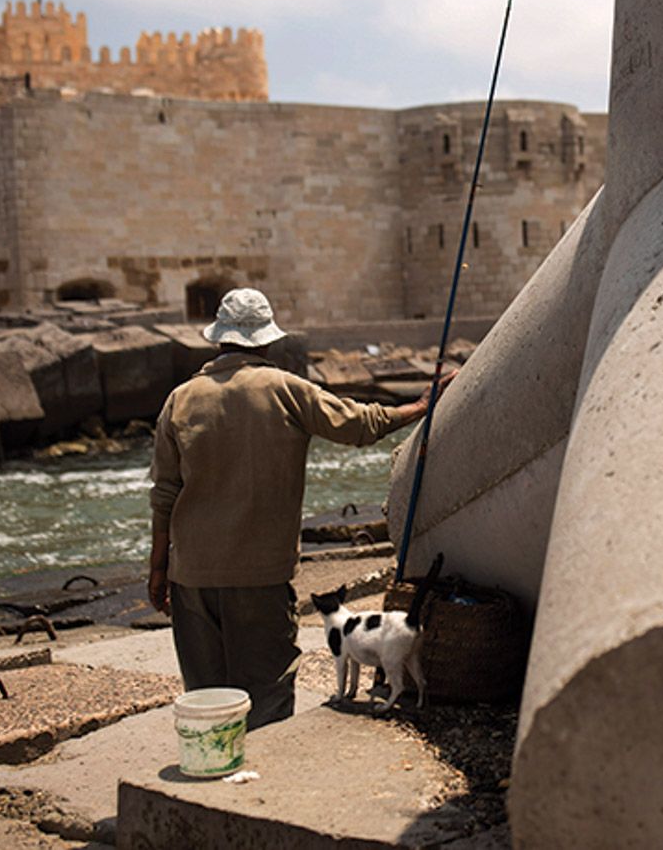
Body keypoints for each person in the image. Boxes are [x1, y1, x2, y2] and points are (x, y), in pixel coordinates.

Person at [147, 287, 450, 728]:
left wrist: (158, 569)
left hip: (190, 573)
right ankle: (260, 782)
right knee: (267, 690)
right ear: (267, 341)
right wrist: (423, 404)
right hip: (260, 574)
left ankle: (214, 769)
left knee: (207, 693)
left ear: (219, 338)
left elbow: (164, 494)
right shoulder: (287, 390)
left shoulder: (181, 399)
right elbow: (361, 425)